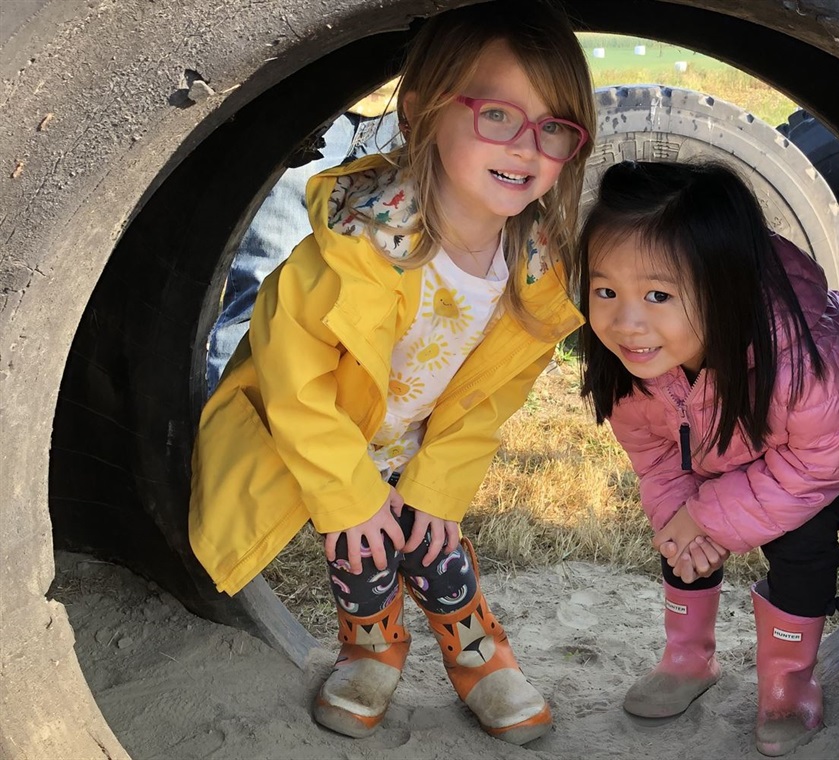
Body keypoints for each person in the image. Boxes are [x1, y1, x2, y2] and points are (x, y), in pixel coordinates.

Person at [189, 2, 596, 745]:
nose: (528, 146)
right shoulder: (357, 245)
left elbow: (489, 400)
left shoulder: (533, 275)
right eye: (499, 115)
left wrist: (438, 487)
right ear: (421, 112)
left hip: (419, 437)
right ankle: (371, 647)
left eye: (556, 127)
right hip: (331, 435)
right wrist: (347, 494)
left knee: (433, 545)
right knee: (361, 547)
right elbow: (291, 375)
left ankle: (481, 655)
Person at [576, 161, 839, 756]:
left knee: (799, 539)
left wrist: (712, 515)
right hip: (723, 424)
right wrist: (683, 518)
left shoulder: (801, 358)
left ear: (725, 285)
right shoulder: (634, 361)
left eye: (658, 294)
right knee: (682, 525)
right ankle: (687, 659)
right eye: (606, 290)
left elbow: (820, 460)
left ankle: (788, 683)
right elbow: (656, 456)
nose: (626, 321)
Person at [204, 86, 400, 395]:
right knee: (262, 292)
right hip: (314, 99)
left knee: (365, 308)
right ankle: (226, 432)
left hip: (398, 114)